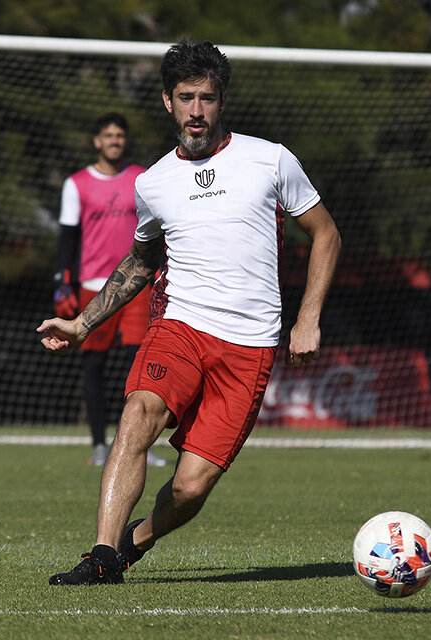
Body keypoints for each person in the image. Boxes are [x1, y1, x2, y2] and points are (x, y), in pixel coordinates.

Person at [39, 40, 341, 585]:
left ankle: (130, 545)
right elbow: (141, 260)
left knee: (189, 488)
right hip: (179, 325)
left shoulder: (269, 158)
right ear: (167, 102)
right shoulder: (151, 182)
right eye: (185, 98)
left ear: (222, 100)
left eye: (206, 97)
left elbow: (326, 234)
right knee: (137, 414)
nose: (196, 111)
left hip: (249, 345)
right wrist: (83, 323)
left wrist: (308, 316)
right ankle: (101, 555)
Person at [54, 112, 167, 468]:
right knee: (94, 367)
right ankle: (100, 446)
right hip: (92, 287)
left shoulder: (141, 179)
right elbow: (67, 239)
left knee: (137, 367)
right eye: (109, 135)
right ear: (97, 141)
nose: (115, 140)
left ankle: (138, 446)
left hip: (135, 288)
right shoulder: (77, 184)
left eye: (120, 135)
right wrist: (62, 283)